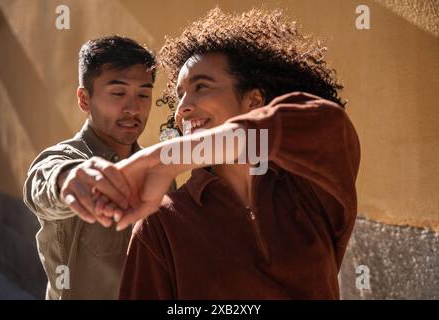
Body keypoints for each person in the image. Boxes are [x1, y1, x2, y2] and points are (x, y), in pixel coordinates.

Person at [101, 8, 360, 299]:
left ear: (254, 101)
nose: (182, 108)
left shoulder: (308, 187)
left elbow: (330, 122)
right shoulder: (162, 222)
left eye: (201, 86)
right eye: (180, 95)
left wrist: (174, 156)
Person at [23, 35, 158, 299]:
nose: (134, 108)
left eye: (144, 94)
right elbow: (43, 181)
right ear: (85, 99)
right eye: (118, 93)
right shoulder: (68, 158)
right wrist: (68, 179)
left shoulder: (156, 171)